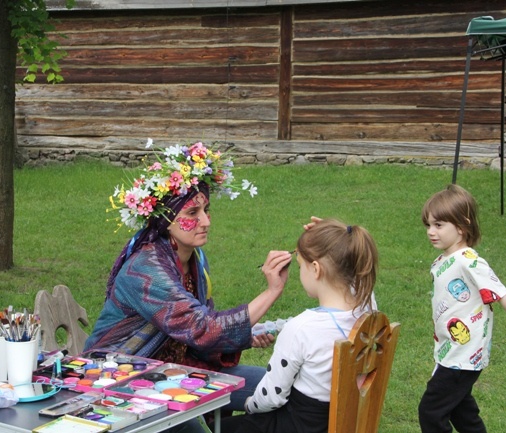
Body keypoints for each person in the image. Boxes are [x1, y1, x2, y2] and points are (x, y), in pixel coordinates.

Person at [84, 140, 293, 420]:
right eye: (192, 214)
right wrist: (272, 291)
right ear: (164, 220)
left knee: (280, 389)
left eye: (206, 211)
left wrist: (245, 336)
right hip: (118, 378)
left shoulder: (195, 259)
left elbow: (200, 326)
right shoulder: (146, 270)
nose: (205, 221)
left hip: (175, 371)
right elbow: (201, 328)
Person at [217, 218, 379, 433]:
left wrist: (248, 405)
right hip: (344, 421)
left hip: (300, 425)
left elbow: (271, 397)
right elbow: (353, 276)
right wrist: (337, 240)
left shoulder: (301, 328)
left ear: (316, 269)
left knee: (218, 427)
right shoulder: (369, 310)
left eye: (301, 265)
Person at [418, 184, 506, 433]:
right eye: (428, 225)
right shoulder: (444, 259)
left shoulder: (469, 261)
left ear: (461, 227)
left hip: (464, 353)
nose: (431, 232)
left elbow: (502, 295)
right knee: (462, 412)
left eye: (439, 225)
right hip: (449, 348)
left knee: (431, 410)